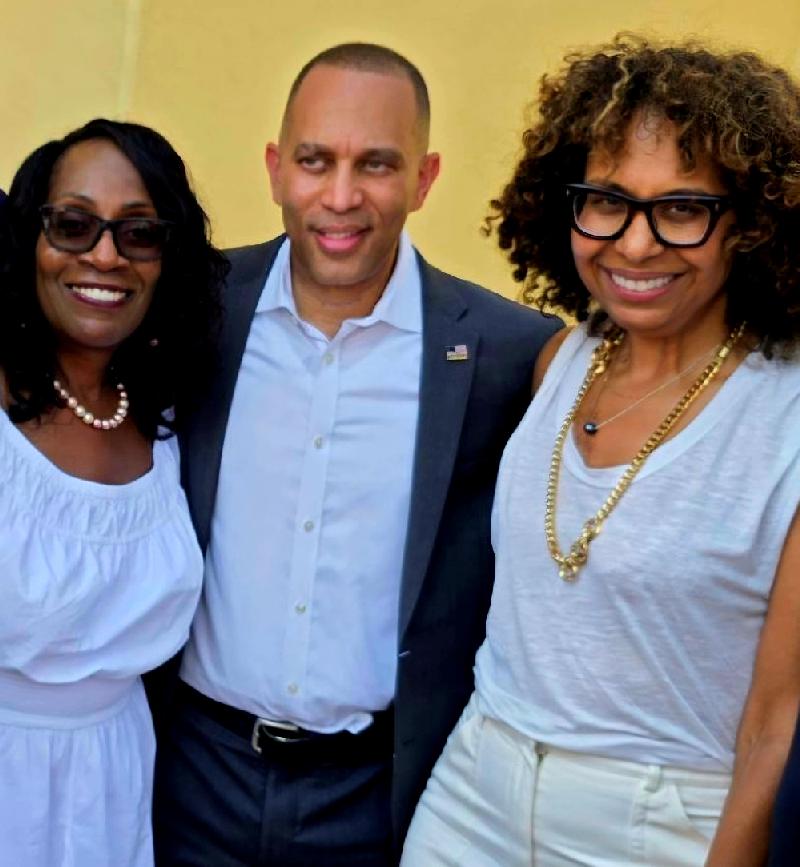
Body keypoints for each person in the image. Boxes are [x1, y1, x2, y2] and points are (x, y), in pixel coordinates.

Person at [151, 41, 561, 866]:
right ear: (275, 168)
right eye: (315, 160)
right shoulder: (191, 310)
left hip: (378, 793)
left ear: (424, 176)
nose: (340, 197)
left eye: (376, 164)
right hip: (192, 770)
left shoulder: (509, 352)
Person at [401, 36, 800, 867]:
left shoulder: (783, 417)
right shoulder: (560, 360)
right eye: (608, 200)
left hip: (662, 824)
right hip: (476, 790)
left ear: (752, 225)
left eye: (683, 208)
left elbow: (775, 722)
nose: (636, 243)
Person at [0, 118, 226, 867]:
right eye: (73, 225)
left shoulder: (168, 418)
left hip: (114, 778)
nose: (104, 254)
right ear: (28, 243)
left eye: (139, 233)